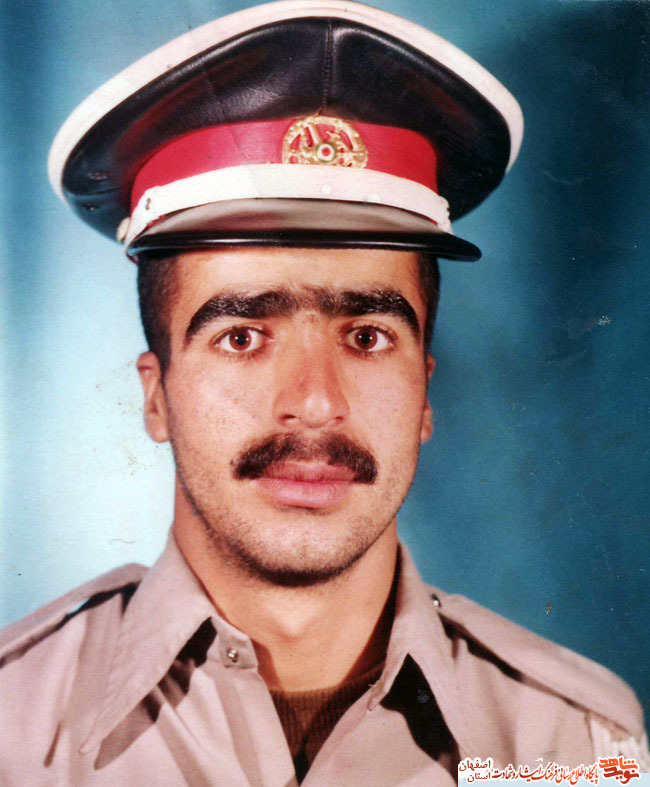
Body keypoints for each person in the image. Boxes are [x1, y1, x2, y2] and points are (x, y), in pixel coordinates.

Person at [0, 1, 647, 784]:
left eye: (367, 336)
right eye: (243, 336)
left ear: (425, 394)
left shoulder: (576, 745)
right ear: (156, 397)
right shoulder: (12, 724)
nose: (314, 403)